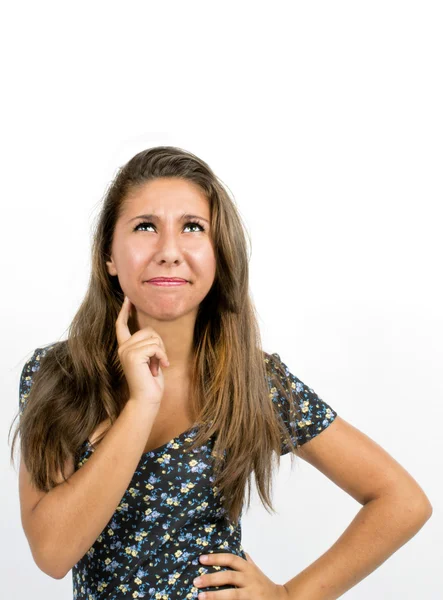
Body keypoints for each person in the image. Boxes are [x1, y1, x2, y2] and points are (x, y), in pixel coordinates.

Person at [11, 146, 432, 600]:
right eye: (145, 227)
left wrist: (288, 596)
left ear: (219, 254)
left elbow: (402, 502)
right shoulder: (57, 374)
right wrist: (141, 405)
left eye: (192, 228)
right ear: (109, 256)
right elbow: (52, 554)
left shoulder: (252, 380)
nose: (169, 251)